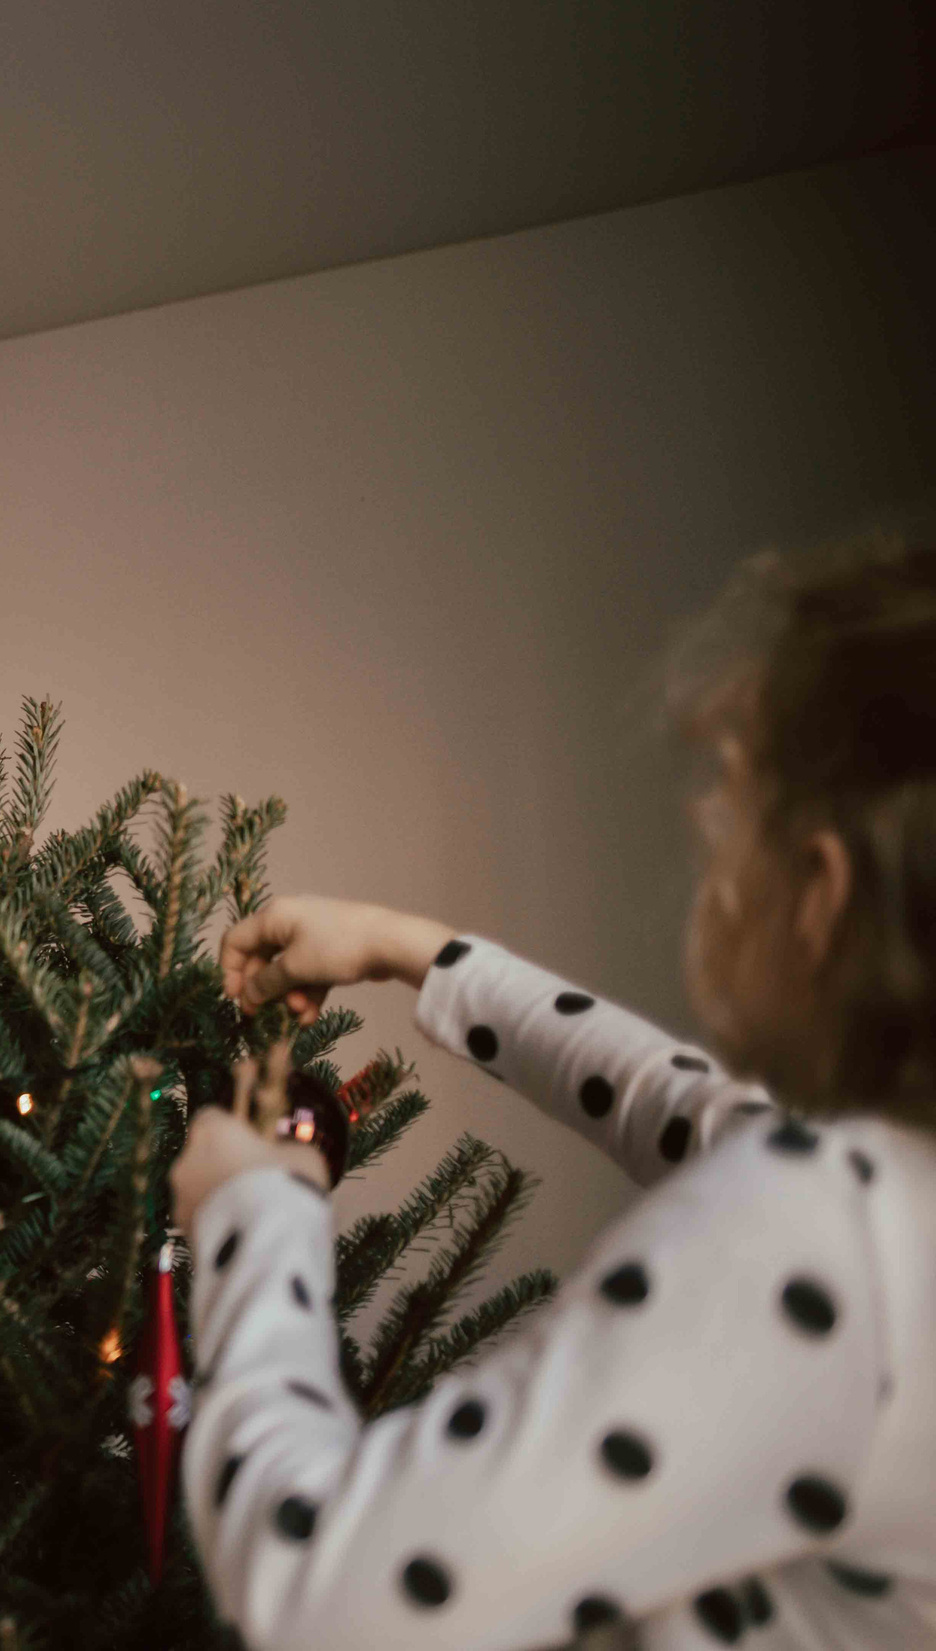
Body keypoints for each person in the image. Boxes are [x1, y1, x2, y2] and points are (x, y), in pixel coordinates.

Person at [173, 537, 935, 1649]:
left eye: (727, 833)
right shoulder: (893, 1202)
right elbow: (683, 1111)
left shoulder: (832, 1235)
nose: (710, 883)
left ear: (818, 896)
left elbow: (318, 1591)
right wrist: (416, 952)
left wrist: (252, 1219)